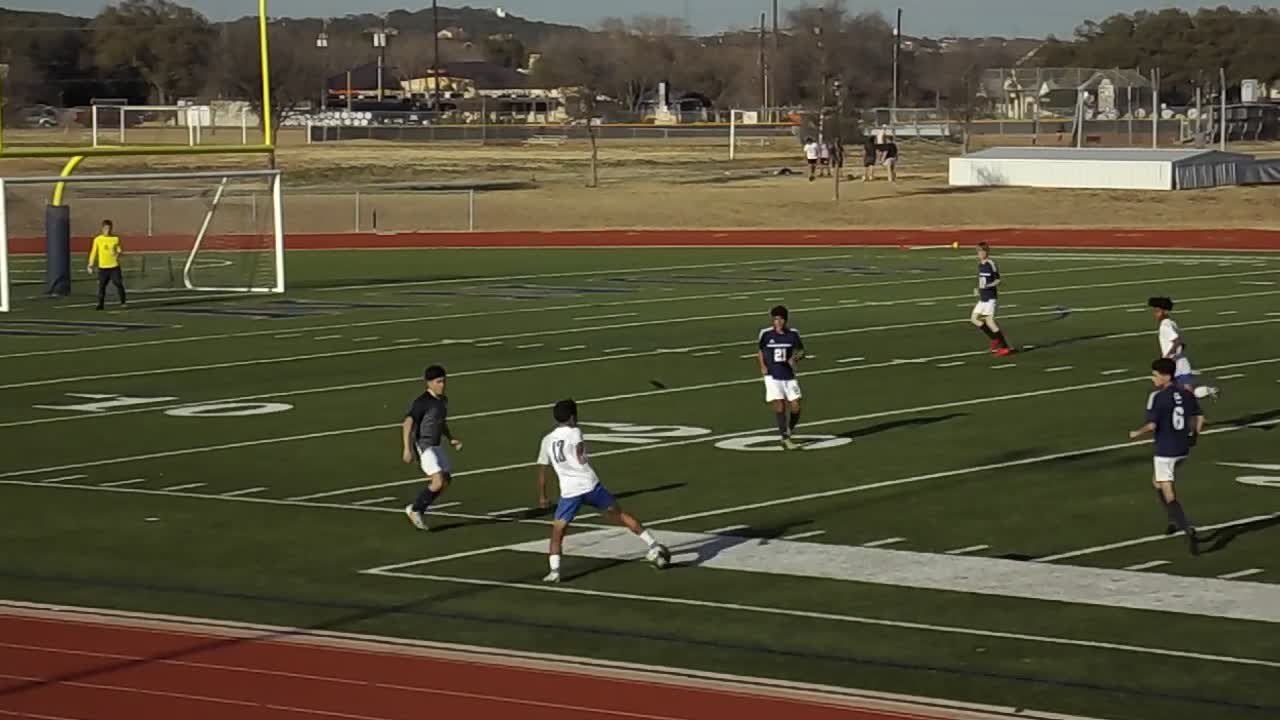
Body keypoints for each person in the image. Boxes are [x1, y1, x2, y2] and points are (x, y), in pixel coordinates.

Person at [537, 399, 671, 583]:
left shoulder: (547, 440)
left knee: (557, 533)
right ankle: (653, 545)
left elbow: (543, 470)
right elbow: (581, 456)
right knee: (620, 515)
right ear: (572, 416)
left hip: (569, 492)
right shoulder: (575, 432)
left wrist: (543, 495)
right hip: (590, 485)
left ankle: (555, 571)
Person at [1129, 358, 1205, 555]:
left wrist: (1137, 433)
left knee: (1169, 492)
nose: (1153, 378)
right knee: (1157, 482)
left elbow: (1152, 425)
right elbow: (1200, 416)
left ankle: (1188, 529)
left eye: (1155, 375)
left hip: (1165, 450)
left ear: (1166, 376)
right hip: (1182, 449)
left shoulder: (1158, 397)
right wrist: (1195, 436)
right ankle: (1173, 520)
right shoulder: (1185, 394)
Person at [403, 365, 463, 531]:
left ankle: (417, 508)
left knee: (446, 480)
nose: (442, 385)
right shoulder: (422, 402)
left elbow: (440, 422)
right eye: (438, 382)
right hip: (424, 445)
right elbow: (407, 423)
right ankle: (415, 510)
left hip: (436, 445)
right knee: (437, 481)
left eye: (444, 381)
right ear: (429, 383)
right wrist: (407, 449)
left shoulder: (443, 400)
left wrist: (451, 438)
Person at [1149, 297, 1220, 400]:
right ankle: (1207, 390)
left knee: (1171, 392)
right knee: (1188, 394)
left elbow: (1176, 341)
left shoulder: (1165, 325)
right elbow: (1182, 344)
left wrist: (1168, 356)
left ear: (1165, 311)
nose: (1156, 314)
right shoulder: (1173, 323)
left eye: (1157, 311)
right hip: (1182, 361)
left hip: (1173, 363)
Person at [757, 305, 805, 450]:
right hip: (772, 375)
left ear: (785, 320)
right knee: (780, 404)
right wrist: (762, 366)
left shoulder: (793, 334)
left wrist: (795, 358)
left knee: (796, 406)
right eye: (776, 319)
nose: (778, 322)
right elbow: (760, 351)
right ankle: (785, 437)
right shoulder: (766, 334)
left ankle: (788, 430)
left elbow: (801, 351)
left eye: (781, 319)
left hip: (788, 374)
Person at [971, 242, 1011, 356]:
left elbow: (998, 280)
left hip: (990, 298)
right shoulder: (980, 265)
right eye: (978, 252)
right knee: (974, 319)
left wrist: (988, 286)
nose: (979, 254)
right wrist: (977, 288)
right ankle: (994, 339)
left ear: (986, 252)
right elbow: (981, 280)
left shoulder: (991, 264)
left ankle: (1004, 347)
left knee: (990, 321)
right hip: (983, 297)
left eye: (981, 251)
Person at [87, 220, 126, 311]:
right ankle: (100, 304)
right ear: (102, 229)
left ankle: (123, 301)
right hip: (103, 268)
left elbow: (120, 251)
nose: (107, 230)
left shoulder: (115, 239)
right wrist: (90, 264)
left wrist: (116, 253)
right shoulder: (98, 240)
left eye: (109, 228)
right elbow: (93, 252)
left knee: (118, 283)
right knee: (102, 286)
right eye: (105, 228)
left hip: (114, 267)